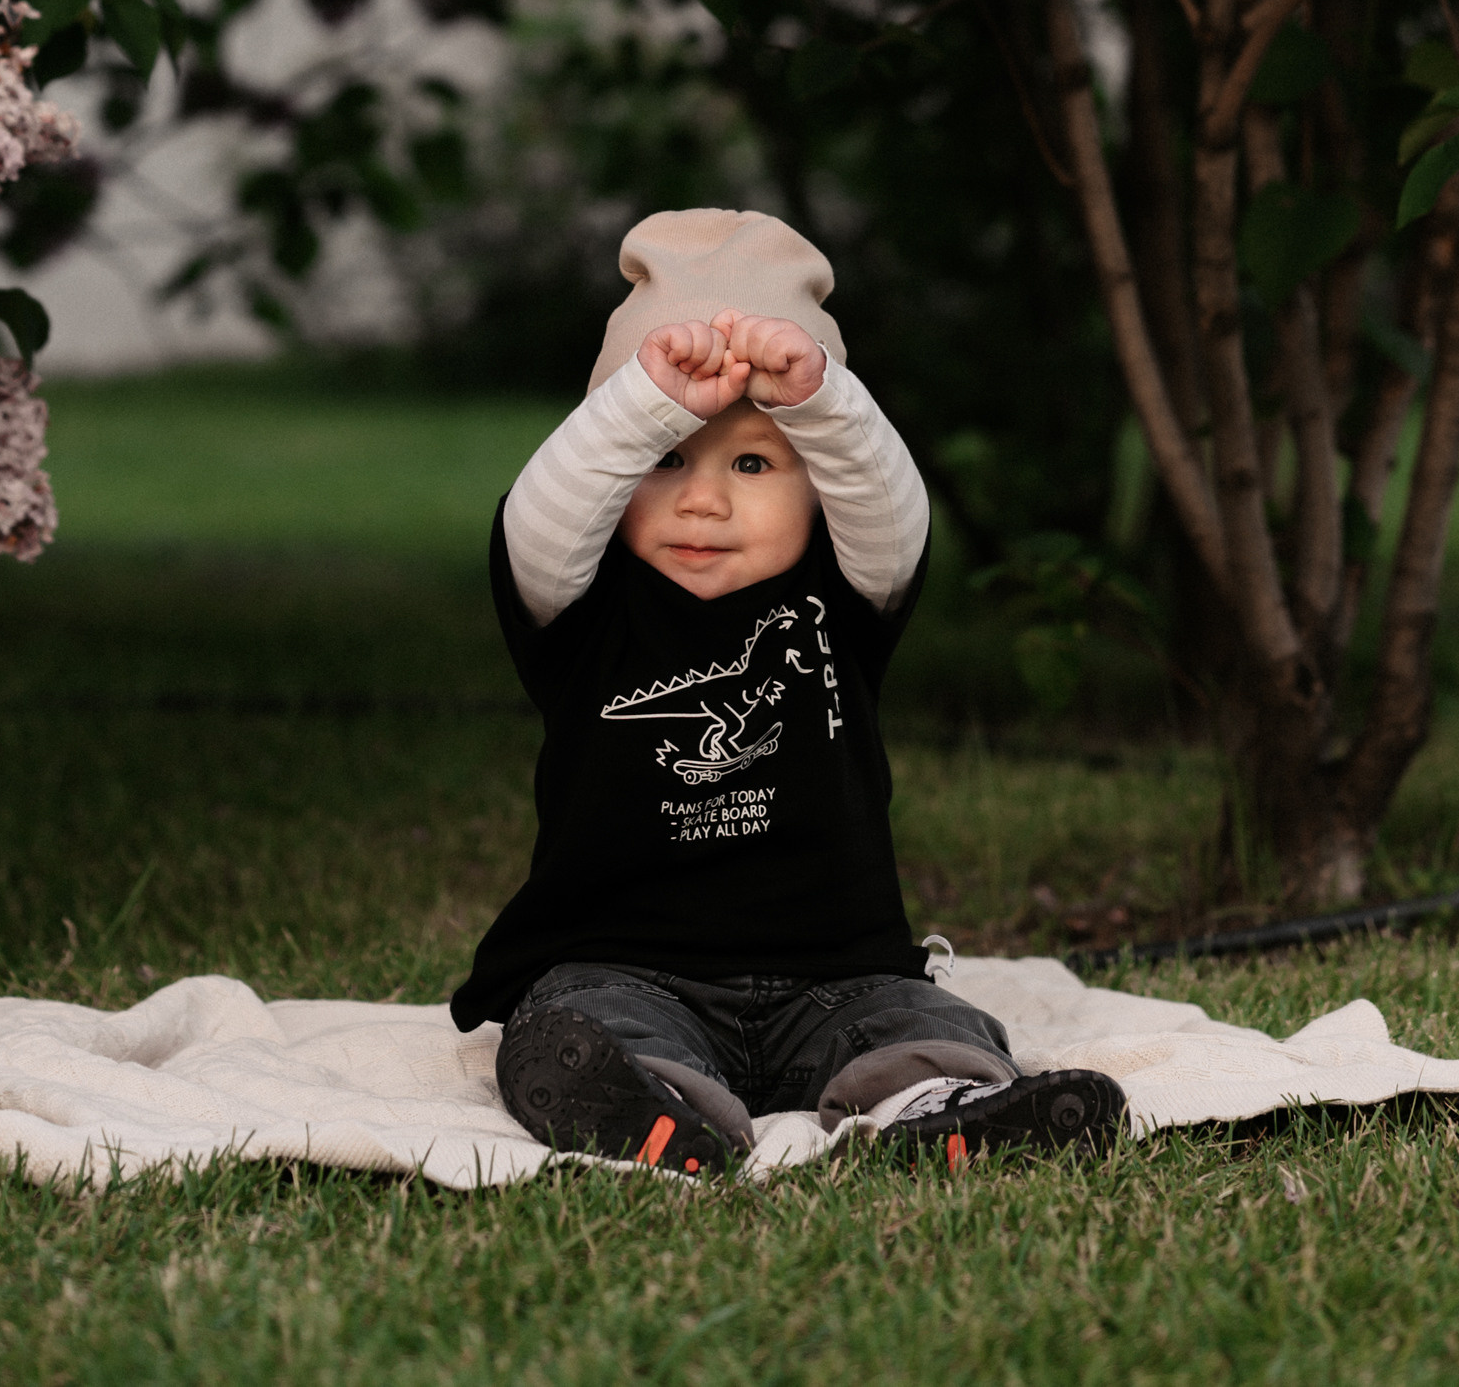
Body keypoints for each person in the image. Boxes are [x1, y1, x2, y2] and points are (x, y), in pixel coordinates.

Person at [450, 205, 1126, 1179]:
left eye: (753, 460)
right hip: (626, 964)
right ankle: (650, 1104)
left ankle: (943, 1109)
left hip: (839, 974)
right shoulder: (580, 604)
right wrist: (646, 397)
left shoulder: (843, 598)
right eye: (666, 457)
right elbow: (543, 508)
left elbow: (889, 502)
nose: (703, 497)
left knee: (920, 1021)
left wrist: (819, 397)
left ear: (817, 486)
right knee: (576, 1020)